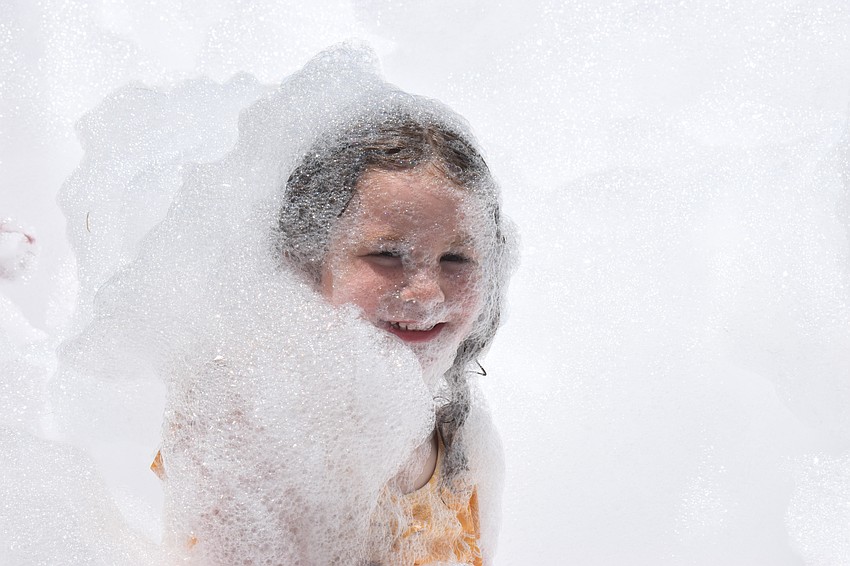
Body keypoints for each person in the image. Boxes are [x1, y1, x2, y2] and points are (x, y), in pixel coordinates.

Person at [275, 97, 516, 565]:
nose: (427, 295)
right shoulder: (260, 419)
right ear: (307, 261)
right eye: (386, 254)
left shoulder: (458, 437)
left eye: (456, 259)